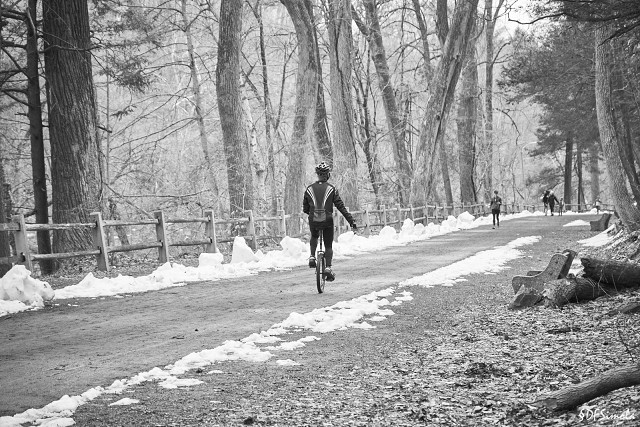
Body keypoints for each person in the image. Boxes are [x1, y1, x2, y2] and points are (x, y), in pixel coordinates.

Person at [303, 162, 357, 282]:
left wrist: (313, 214)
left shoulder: (309, 189)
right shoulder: (331, 189)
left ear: (317, 174)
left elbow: (305, 209)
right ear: (328, 175)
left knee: (314, 236)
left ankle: (312, 256)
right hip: (327, 221)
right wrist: (351, 221)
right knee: (328, 245)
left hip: (313, 220)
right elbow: (341, 207)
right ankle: (327, 267)